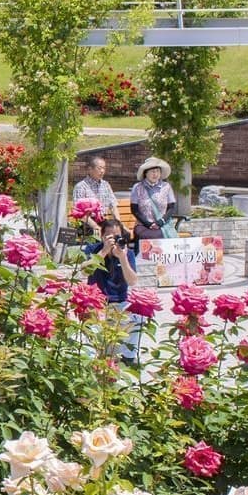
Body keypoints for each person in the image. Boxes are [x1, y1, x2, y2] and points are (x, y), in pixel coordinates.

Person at [84, 217, 142, 362]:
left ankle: (128, 358)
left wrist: (122, 258)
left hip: (119, 302)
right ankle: (95, 359)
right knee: (94, 331)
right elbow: (85, 271)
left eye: (117, 236)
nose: (114, 240)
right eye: (109, 236)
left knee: (139, 317)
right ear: (102, 236)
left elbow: (132, 281)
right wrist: (103, 251)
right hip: (97, 303)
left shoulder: (126, 253)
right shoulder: (93, 250)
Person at [130, 157, 178, 240]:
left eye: (157, 171)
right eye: (152, 171)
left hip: (163, 224)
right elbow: (134, 210)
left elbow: (171, 208)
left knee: (162, 235)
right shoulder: (137, 187)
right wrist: (148, 224)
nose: (155, 174)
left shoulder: (166, 187)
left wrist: (161, 221)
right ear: (145, 173)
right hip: (143, 224)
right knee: (146, 235)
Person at [72, 154, 119, 223]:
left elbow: (113, 206)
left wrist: (119, 224)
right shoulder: (81, 187)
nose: (102, 171)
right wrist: (96, 227)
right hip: (88, 224)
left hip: (104, 222)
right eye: (99, 168)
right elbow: (80, 213)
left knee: (122, 230)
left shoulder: (106, 185)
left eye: (104, 168)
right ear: (90, 169)